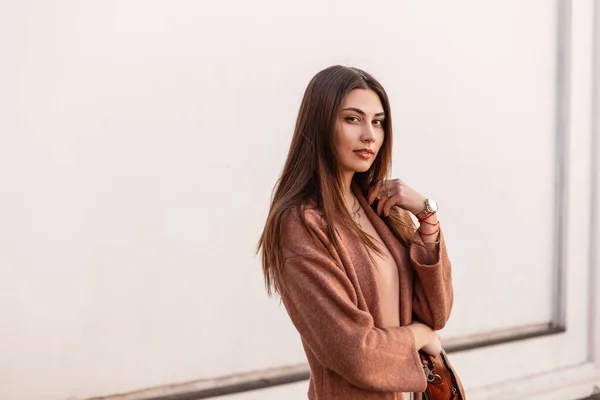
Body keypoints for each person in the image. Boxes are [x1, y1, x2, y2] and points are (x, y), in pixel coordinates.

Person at [257, 65, 454, 400]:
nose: (370, 135)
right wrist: (419, 336)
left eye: (377, 121)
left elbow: (437, 313)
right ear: (320, 126)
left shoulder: (379, 209)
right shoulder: (302, 224)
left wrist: (427, 217)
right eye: (353, 119)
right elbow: (354, 351)